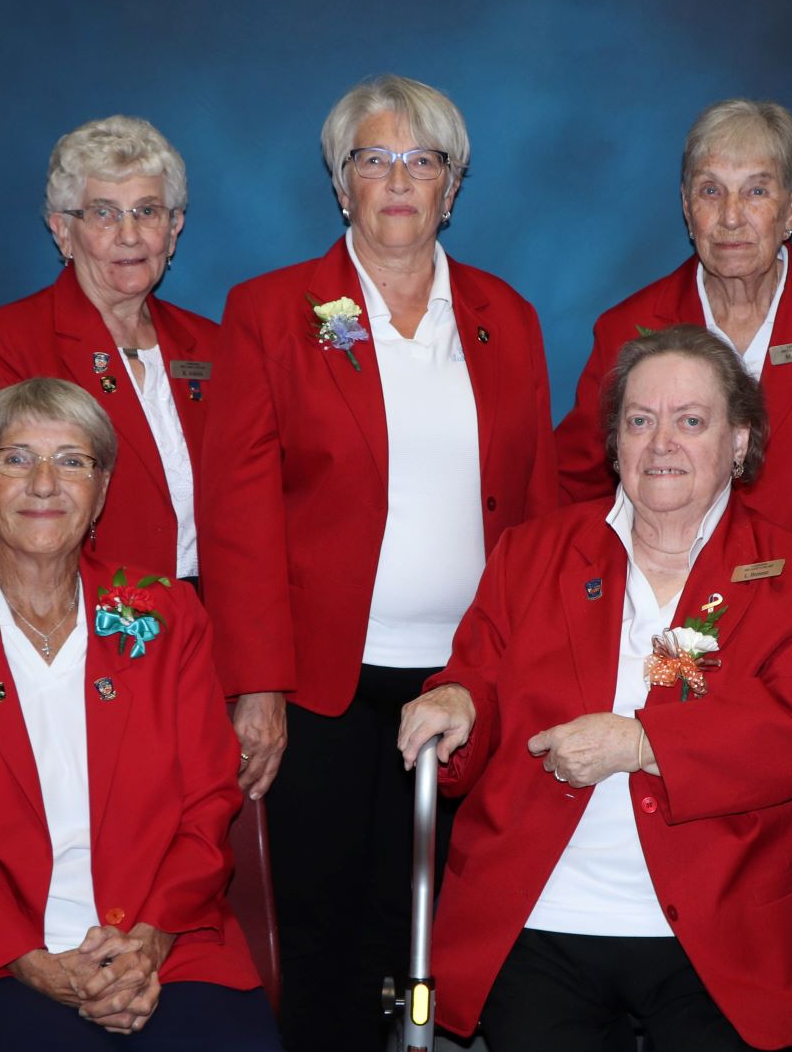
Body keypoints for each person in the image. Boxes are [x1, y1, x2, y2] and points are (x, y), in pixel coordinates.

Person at [197, 74, 558, 1051]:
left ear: (452, 185)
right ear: (339, 183)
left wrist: (533, 665)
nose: (397, 179)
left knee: (442, 927)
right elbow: (235, 516)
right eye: (373, 158)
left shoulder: (504, 316)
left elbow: (535, 510)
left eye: (421, 160)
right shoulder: (273, 312)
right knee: (323, 932)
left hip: (465, 680)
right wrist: (257, 683)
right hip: (320, 687)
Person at [398, 325, 792, 1052]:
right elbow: (478, 675)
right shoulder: (532, 555)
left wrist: (643, 742)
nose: (661, 444)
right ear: (614, 442)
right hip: (540, 914)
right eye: (640, 421)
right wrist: (456, 700)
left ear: (740, 442)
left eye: (691, 422)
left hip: (723, 928)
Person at [0, 378, 283, 1052]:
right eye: (17, 457)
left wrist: (146, 944)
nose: (44, 483)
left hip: (164, 944)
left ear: (103, 490)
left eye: (73, 461)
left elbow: (208, 801)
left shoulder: (163, 611)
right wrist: (30, 961)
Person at [554, 98, 792, 533]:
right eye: (711, 191)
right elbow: (575, 489)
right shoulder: (627, 329)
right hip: (670, 593)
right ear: (686, 205)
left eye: (756, 191)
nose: (731, 217)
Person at [0, 115, 213, 580]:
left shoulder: (211, 345)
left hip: (205, 618)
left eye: (147, 211)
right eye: (104, 213)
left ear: (174, 228)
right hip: (85, 613)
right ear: (62, 230)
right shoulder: (12, 340)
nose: (130, 234)